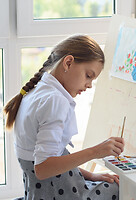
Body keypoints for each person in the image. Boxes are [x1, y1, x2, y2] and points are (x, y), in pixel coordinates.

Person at [4, 35, 124, 199]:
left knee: (110, 182)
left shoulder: (35, 92)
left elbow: (54, 158)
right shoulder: (55, 101)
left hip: (45, 191)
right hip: (61, 194)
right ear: (68, 63)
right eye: (88, 76)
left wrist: (90, 175)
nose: (89, 85)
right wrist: (96, 151)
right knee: (123, 189)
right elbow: (43, 168)